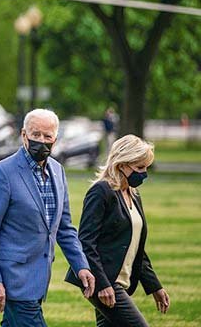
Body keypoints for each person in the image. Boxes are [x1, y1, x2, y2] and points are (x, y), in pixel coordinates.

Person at [0, 108, 95, 326]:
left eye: (47, 136)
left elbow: (64, 228)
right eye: (35, 134)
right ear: (23, 135)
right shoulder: (2, 173)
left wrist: (81, 266)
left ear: (55, 139)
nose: (41, 140)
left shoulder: (58, 172)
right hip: (14, 282)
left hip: (40, 279)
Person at [65, 134, 170, 326]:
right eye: (139, 168)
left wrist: (155, 286)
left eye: (146, 167)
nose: (144, 173)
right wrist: (103, 284)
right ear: (121, 164)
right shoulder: (101, 192)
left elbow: (136, 246)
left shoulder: (133, 194)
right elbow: (86, 242)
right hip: (103, 281)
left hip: (120, 282)